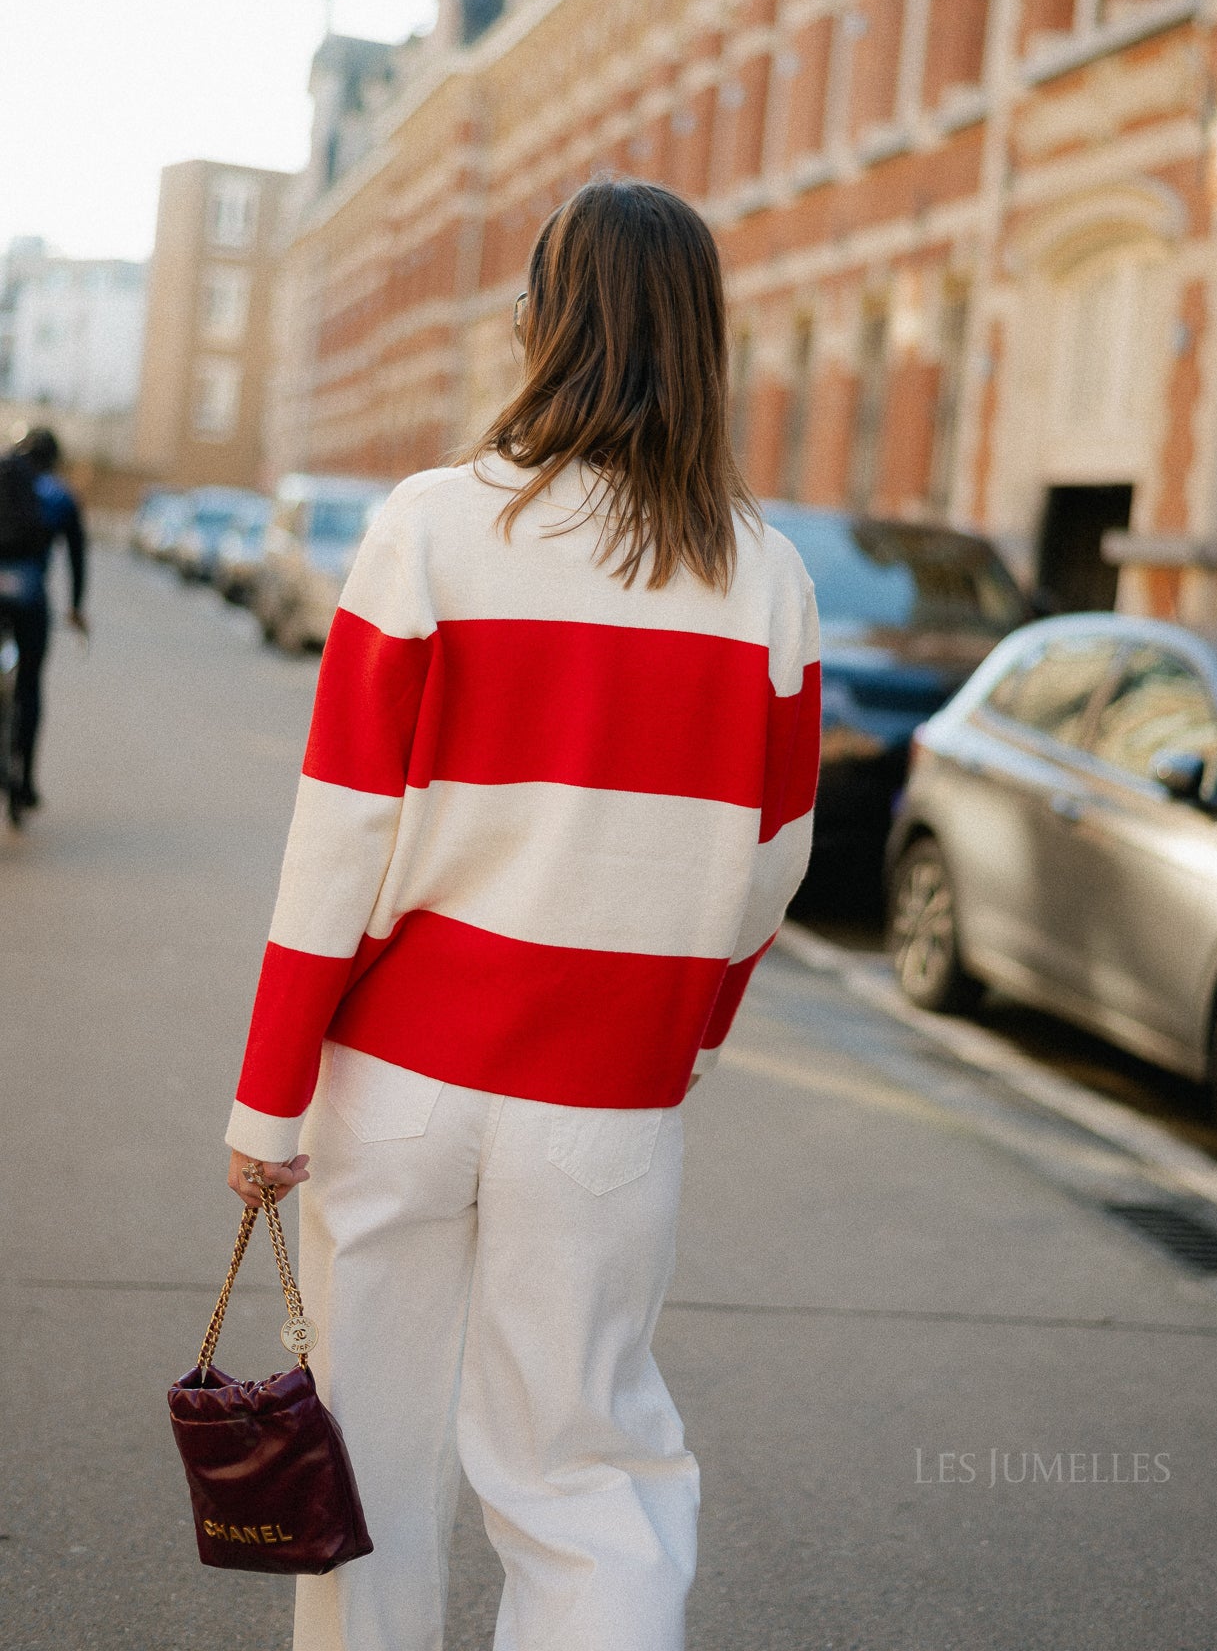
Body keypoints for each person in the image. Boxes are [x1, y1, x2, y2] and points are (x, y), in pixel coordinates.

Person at [223, 179, 821, 1651]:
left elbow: (341, 838)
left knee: (362, 1457)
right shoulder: (765, 577)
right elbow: (773, 863)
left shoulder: (428, 528)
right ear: (703, 340)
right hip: (608, 1098)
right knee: (583, 1473)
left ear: (544, 326)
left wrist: (268, 1099)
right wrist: (684, 1041)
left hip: (403, 1077)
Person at [0, 425, 87, 819]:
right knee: (29, 684)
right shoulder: (61, 495)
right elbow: (76, 557)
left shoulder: (5, 477)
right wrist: (75, 607)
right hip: (30, 599)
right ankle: (27, 780)